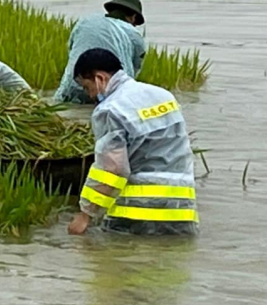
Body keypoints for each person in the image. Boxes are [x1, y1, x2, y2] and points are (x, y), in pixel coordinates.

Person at [67, 48, 198, 237]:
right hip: (182, 212)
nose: (90, 96)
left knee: (118, 262)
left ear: (100, 78)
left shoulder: (110, 109)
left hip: (137, 214)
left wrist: (85, 214)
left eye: (88, 87)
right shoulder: (164, 96)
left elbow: (112, 168)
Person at [53, 0, 147, 104]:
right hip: (109, 89)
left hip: (75, 83)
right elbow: (135, 68)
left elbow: (71, 49)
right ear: (133, 17)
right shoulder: (133, 33)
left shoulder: (84, 22)